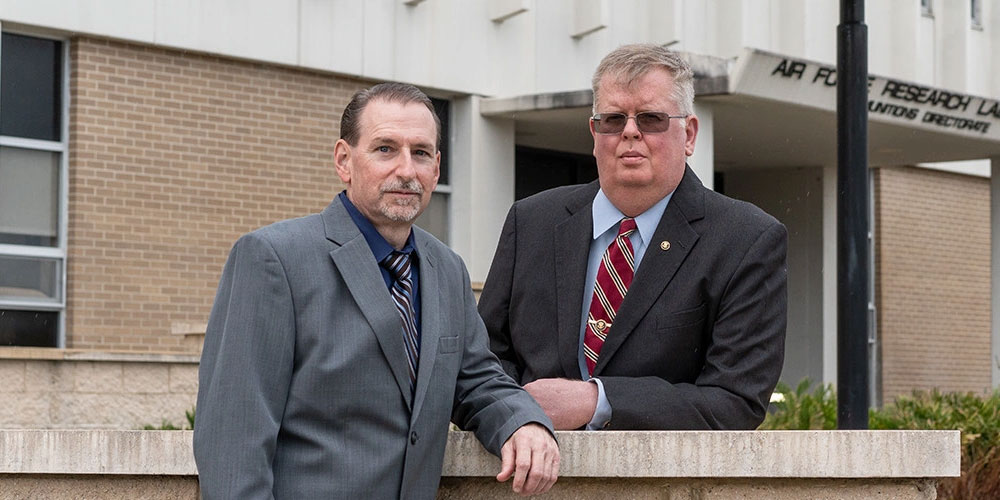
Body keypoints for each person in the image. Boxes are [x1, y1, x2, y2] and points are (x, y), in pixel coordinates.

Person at [194, 82, 559, 499]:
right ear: (344, 160)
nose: (406, 170)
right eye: (385, 149)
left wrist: (522, 421)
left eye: (420, 152)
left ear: (437, 169)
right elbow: (233, 444)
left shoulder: (447, 269)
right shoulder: (273, 259)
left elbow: (475, 380)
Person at [479, 44, 787, 431]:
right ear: (594, 133)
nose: (629, 131)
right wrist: (517, 419)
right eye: (612, 119)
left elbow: (734, 402)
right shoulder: (531, 222)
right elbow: (483, 359)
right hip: (527, 476)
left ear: (688, 134)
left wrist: (598, 401)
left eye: (651, 118)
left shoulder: (747, 240)